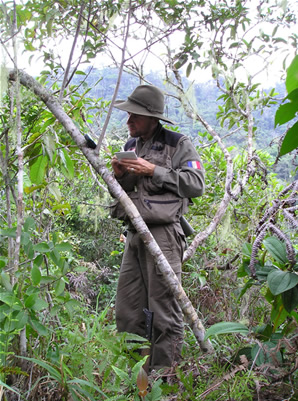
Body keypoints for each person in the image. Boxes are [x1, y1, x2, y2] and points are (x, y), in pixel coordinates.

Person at [110, 84, 205, 372]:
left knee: (164, 310)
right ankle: (135, 377)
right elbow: (127, 191)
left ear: (153, 118)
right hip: (135, 235)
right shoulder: (130, 146)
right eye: (128, 116)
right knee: (127, 310)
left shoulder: (178, 144)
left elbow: (196, 184)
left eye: (135, 117)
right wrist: (120, 175)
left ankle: (164, 379)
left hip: (164, 236)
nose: (129, 122)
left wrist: (154, 171)